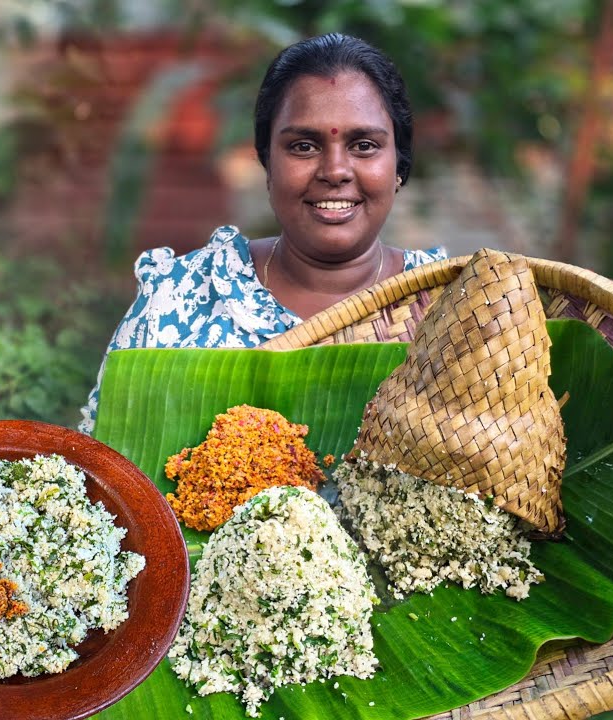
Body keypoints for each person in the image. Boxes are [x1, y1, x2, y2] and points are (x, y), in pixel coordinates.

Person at [80, 33, 447, 434]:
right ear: (267, 161)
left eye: (364, 145)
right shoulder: (180, 297)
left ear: (399, 164)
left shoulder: (453, 310)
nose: (336, 170)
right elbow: (107, 465)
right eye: (304, 146)